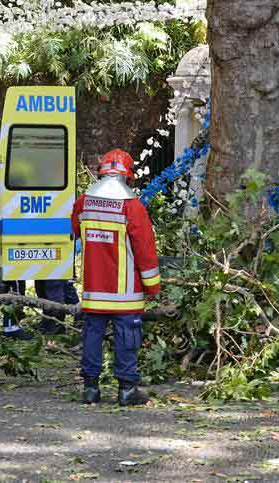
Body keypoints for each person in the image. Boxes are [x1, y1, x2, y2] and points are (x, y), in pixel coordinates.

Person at [71, 149, 161, 407]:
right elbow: (145, 250)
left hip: (93, 287)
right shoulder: (132, 206)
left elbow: (75, 229)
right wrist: (153, 287)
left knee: (91, 335)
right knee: (127, 336)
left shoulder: (84, 201)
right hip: (125, 291)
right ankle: (126, 390)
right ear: (127, 176)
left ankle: (90, 389)